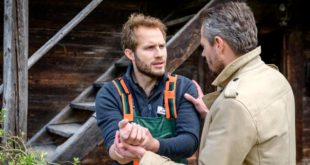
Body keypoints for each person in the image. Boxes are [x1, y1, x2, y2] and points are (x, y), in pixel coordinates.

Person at [120, 1, 296, 165]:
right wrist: (213, 114)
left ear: (219, 44)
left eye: (203, 46)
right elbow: (257, 129)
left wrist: (146, 158)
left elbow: (241, 112)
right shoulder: (275, 77)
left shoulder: (234, 105)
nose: (203, 54)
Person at [95, 13, 200, 165]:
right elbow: (113, 146)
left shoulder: (183, 88)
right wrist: (120, 150)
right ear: (130, 53)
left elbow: (189, 143)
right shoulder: (110, 93)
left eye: (162, 46)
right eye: (150, 48)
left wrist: (152, 144)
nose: (159, 55)